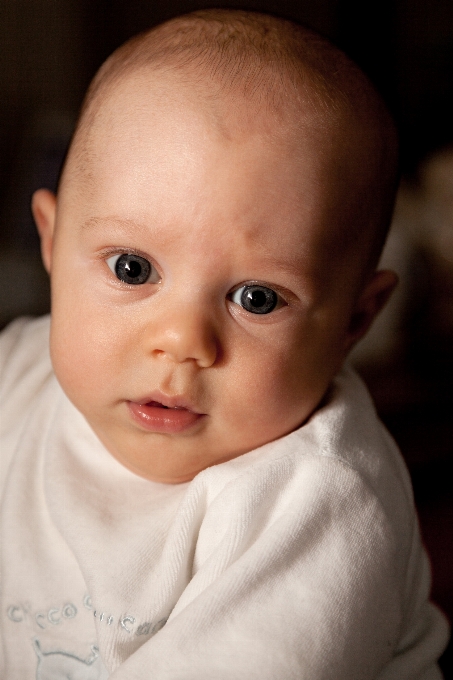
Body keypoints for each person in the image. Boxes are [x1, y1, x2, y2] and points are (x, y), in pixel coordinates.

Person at [0, 9, 449, 679]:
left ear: (355, 320)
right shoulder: (19, 372)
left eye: (257, 299)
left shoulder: (321, 499)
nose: (182, 342)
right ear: (52, 242)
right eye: (132, 269)